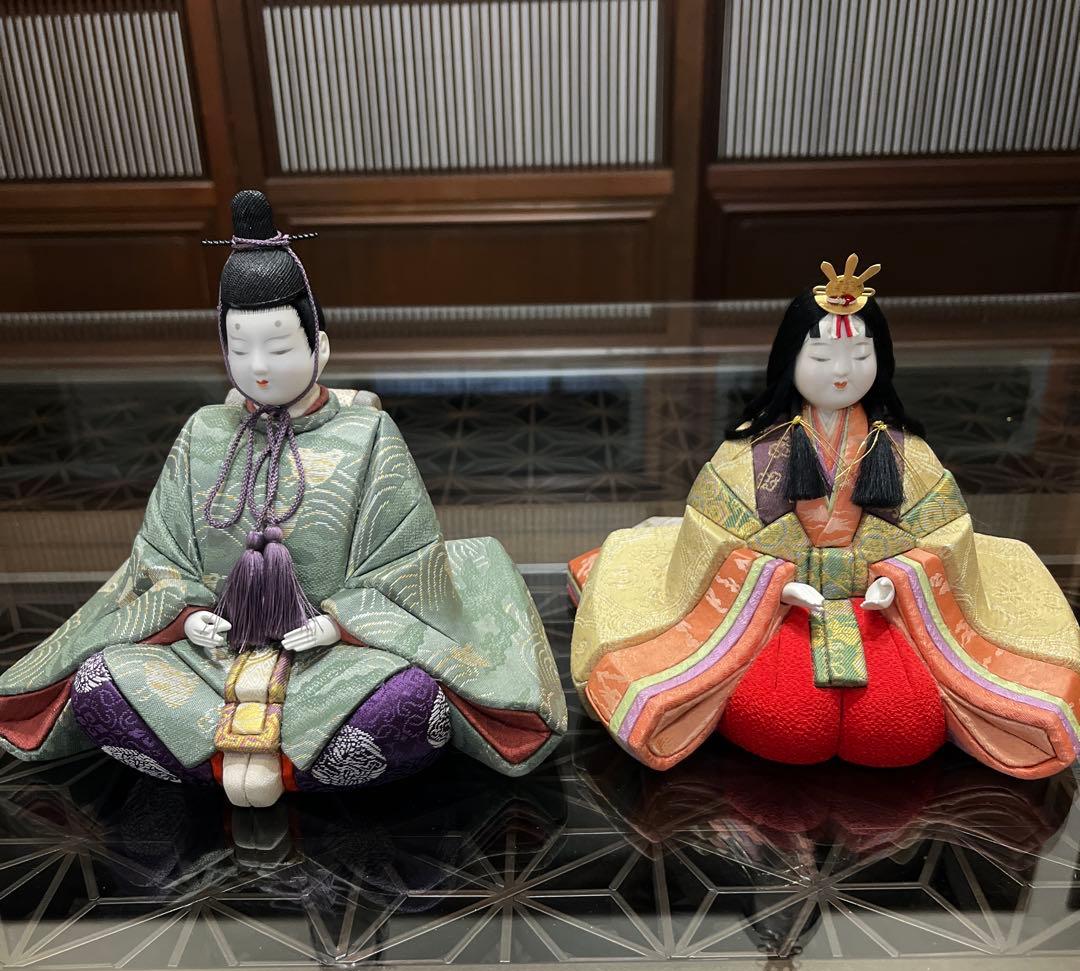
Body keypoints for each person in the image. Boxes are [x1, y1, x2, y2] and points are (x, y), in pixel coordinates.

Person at [0, 190, 565, 806]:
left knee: (409, 701)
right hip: (205, 658)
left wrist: (336, 625)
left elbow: (407, 561)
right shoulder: (202, 433)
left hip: (335, 664)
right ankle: (263, 764)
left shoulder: (368, 435)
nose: (259, 366)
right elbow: (157, 555)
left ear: (320, 346)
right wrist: (186, 617)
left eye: (278, 346)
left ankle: (239, 764)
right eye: (239, 348)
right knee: (100, 682)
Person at [569, 256, 1079, 779]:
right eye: (822, 355)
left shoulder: (906, 453)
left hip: (884, 611)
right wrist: (774, 584)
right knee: (790, 723)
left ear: (882, 359)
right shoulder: (749, 454)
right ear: (789, 359)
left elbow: (943, 536)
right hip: (773, 612)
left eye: (860, 354)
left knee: (897, 726)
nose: (842, 372)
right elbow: (714, 537)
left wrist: (901, 579)